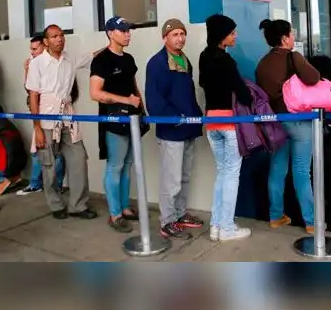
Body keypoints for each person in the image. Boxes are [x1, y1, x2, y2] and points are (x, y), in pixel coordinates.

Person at [26, 24, 100, 220]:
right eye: (54, 36)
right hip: (46, 117)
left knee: (78, 158)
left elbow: (92, 56)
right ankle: (55, 204)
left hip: (67, 116)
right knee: (48, 164)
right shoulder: (37, 63)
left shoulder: (70, 58)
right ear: (46, 41)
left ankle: (78, 205)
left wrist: (112, 44)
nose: (59, 39)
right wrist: (37, 127)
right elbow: (33, 96)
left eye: (61, 35)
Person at [255, 19, 322, 233]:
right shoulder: (294, 57)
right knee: (302, 171)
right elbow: (314, 77)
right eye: (292, 34)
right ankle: (311, 222)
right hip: (299, 120)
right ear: (284, 38)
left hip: (276, 121)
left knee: (277, 169)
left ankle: (276, 216)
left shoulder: (262, 64)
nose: (294, 38)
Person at [145, 19, 204, 240]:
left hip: (189, 128)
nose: (180, 38)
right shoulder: (157, 63)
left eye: (182, 33)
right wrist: (174, 118)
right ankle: (167, 221)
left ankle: (180, 214)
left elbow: (188, 93)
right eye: (174, 34)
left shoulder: (185, 60)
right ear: (165, 38)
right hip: (171, 130)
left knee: (185, 176)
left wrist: (196, 117)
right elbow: (154, 99)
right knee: (172, 180)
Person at [199, 14, 254, 241]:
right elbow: (244, 95)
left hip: (211, 122)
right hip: (229, 123)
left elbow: (204, 84)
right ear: (222, 36)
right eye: (232, 33)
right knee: (232, 174)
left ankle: (216, 226)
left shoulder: (204, 57)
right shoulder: (226, 61)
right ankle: (227, 228)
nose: (235, 36)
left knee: (222, 173)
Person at [90, 16, 144, 233]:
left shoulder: (129, 59)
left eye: (129, 30)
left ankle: (124, 207)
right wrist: (126, 101)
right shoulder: (101, 60)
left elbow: (133, 86)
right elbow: (96, 93)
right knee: (116, 166)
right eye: (123, 31)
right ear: (111, 33)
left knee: (128, 165)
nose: (128, 34)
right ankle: (114, 214)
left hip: (132, 119)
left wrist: (141, 108)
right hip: (114, 121)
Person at [17, 34, 66, 196]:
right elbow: (30, 90)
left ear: (44, 46)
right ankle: (39, 183)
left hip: (53, 114)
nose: (32, 53)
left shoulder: (56, 64)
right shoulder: (34, 64)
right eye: (30, 49)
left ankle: (49, 184)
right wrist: (27, 70)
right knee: (40, 149)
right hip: (38, 114)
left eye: (34, 49)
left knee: (54, 151)